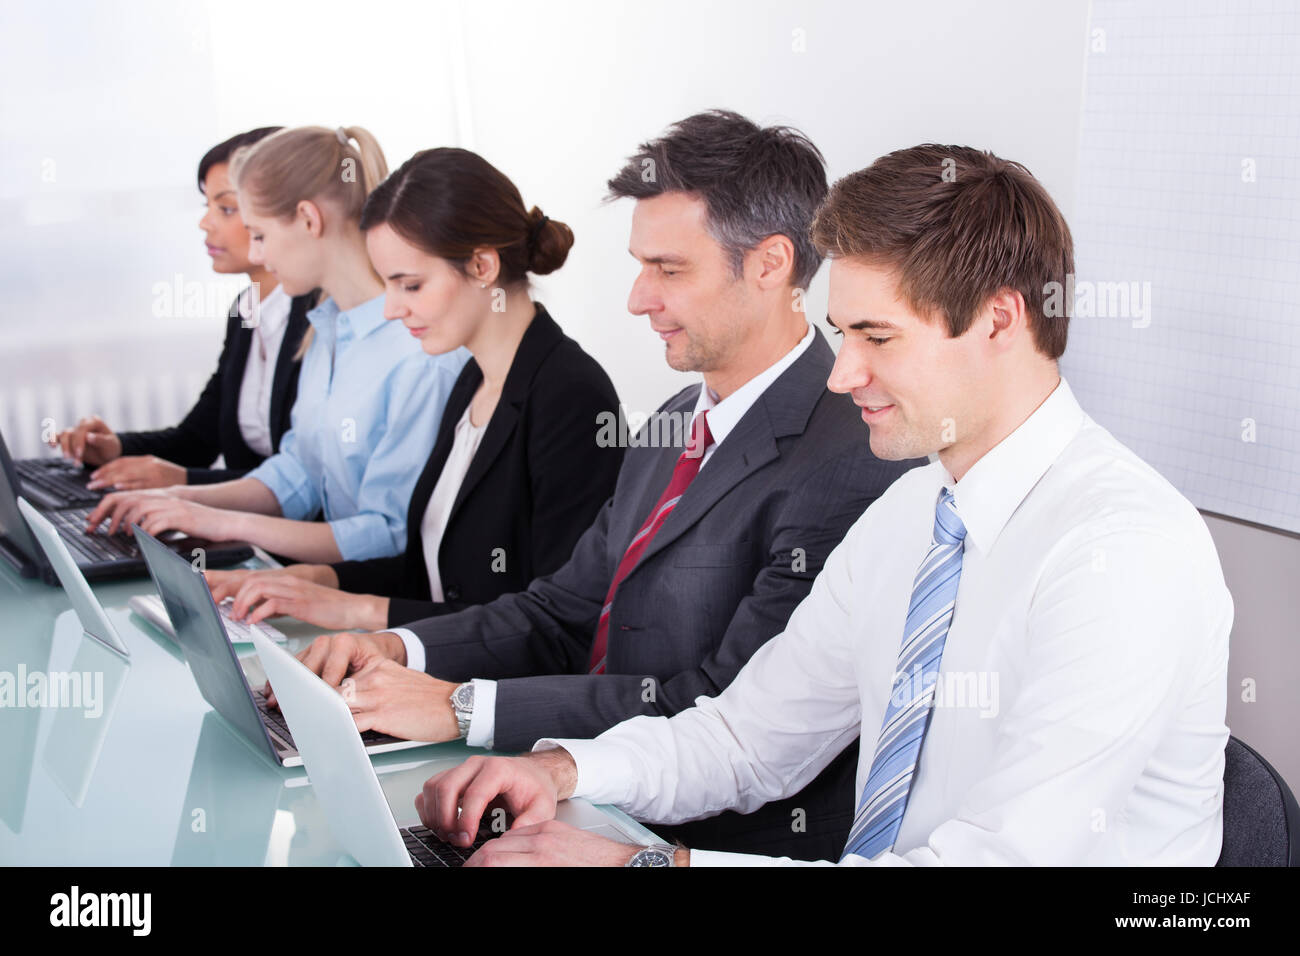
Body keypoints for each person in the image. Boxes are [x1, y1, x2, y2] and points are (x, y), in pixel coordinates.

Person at [414, 144, 1235, 867]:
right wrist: (560, 770)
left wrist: (647, 868)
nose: (843, 376)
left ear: (999, 320)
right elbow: (746, 739)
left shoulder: (1122, 553)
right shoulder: (913, 513)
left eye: (878, 338)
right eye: (843, 337)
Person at [276, 111, 918, 860]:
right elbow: (563, 608)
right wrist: (396, 648)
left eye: (669, 270)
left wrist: (463, 708)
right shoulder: (676, 421)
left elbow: (717, 705)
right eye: (640, 265)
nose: (638, 299)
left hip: (704, 838)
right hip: (587, 794)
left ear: (771, 264)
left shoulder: (853, 453)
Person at [204, 148, 623, 631]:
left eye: (410, 285)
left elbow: (557, 622)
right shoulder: (473, 378)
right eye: (388, 285)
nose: (390, 309)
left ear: (483, 267)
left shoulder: (569, 396)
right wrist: (321, 579)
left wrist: (360, 610)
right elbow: (440, 573)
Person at [84, 126, 468, 563]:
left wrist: (221, 522)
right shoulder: (325, 333)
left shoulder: (418, 349)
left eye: (261, 236)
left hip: (383, 603)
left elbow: (389, 533)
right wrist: (176, 501)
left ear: (309, 219)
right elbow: (298, 473)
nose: (260, 257)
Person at [51, 127, 315, 489]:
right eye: (206, 206)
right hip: (251, 534)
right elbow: (197, 440)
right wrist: (116, 449)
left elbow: (314, 486)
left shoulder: (322, 318)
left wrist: (187, 481)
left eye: (225, 208)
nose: (204, 222)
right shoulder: (246, 311)